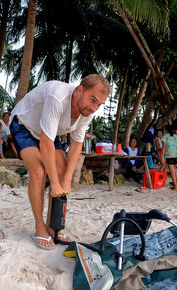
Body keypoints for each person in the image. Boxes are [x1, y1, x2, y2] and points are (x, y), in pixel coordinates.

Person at [9, 74, 110, 250]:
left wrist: (65, 180)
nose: (94, 108)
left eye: (99, 104)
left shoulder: (87, 112)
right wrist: (54, 183)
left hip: (50, 132)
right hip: (24, 126)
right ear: (80, 90)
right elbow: (45, 143)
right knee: (39, 172)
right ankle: (39, 226)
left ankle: (52, 226)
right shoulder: (58, 96)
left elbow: (77, 144)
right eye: (92, 100)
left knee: (62, 172)